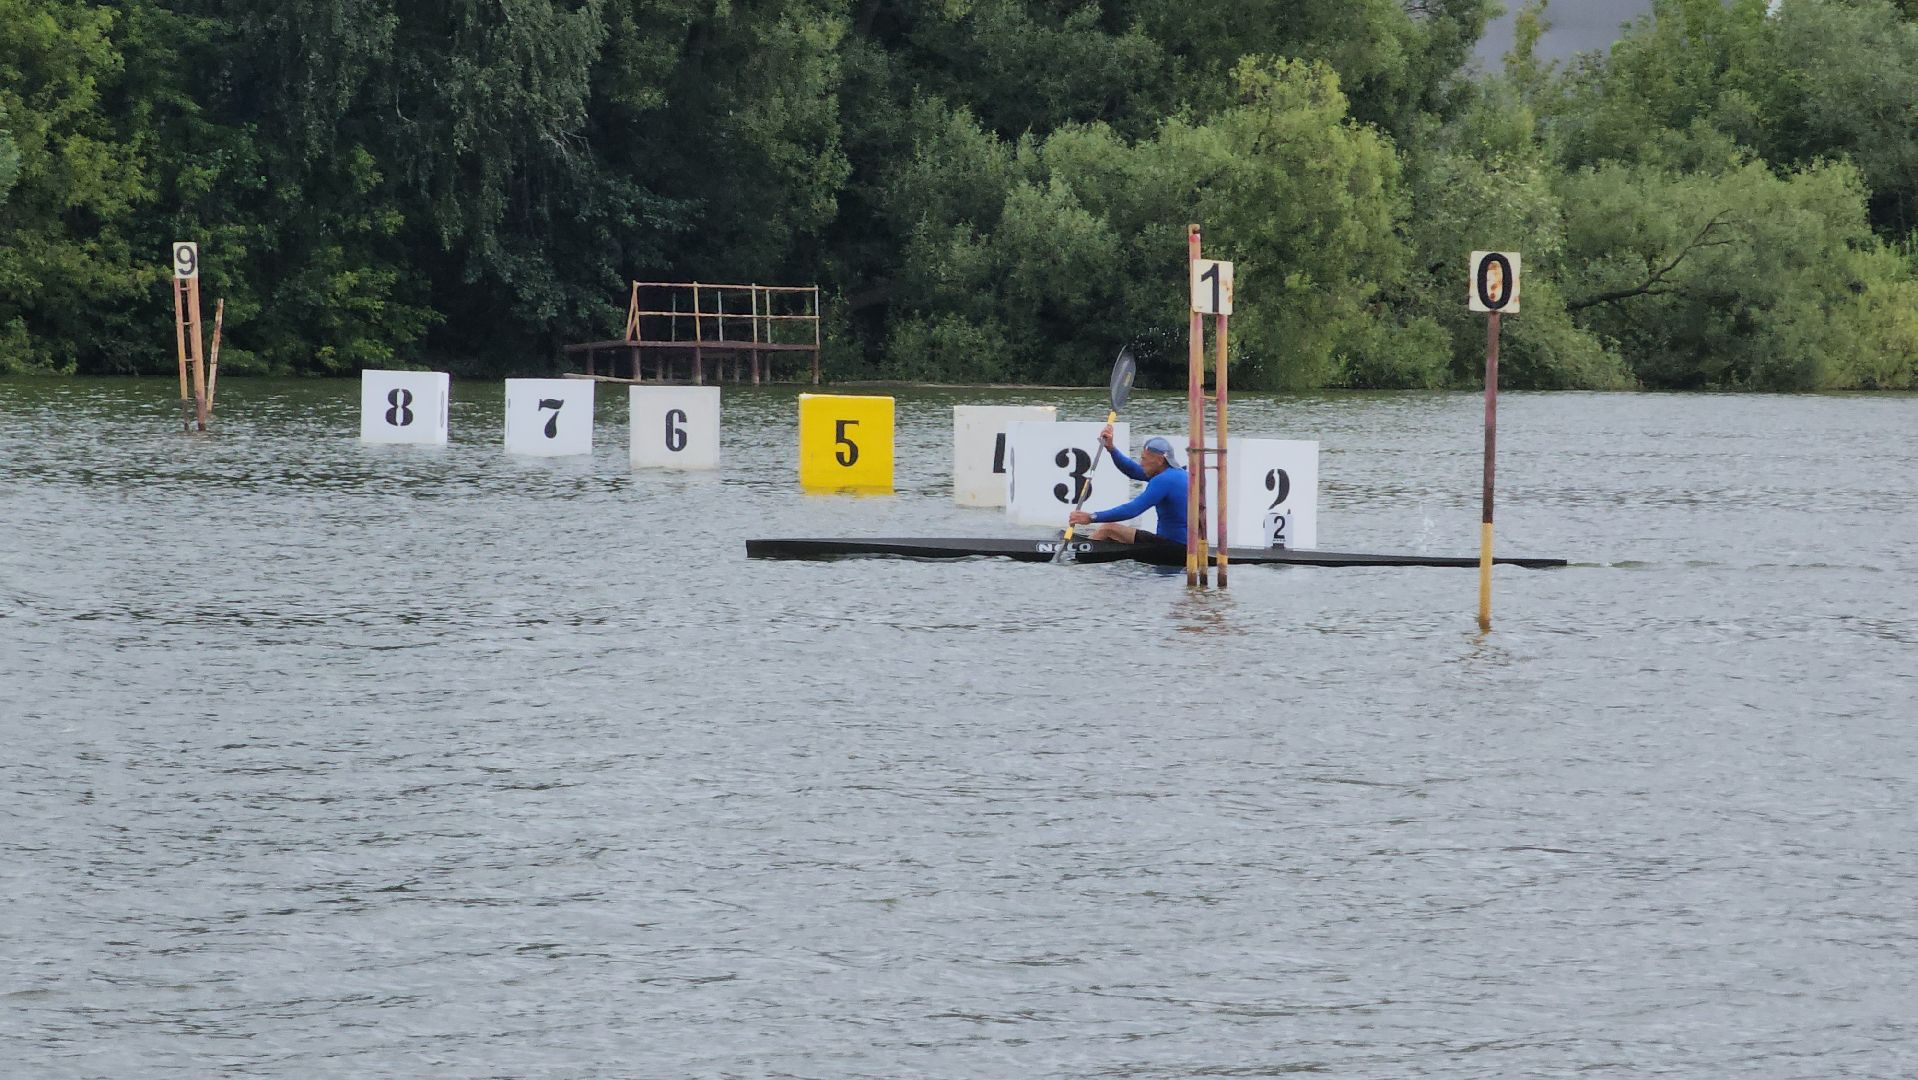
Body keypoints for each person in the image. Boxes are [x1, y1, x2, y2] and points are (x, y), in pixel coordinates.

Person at [1067, 429, 1188, 546]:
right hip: (1187, 545)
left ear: (1160, 460)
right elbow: (1133, 471)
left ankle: (1078, 553)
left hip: (1173, 546)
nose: (1141, 463)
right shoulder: (1178, 475)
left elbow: (1132, 510)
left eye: (1144, 459)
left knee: (1107, 529)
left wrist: (1091, 517)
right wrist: (1111, 449)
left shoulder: (1163, 480)